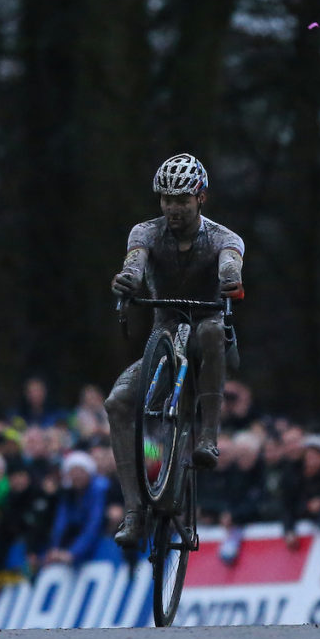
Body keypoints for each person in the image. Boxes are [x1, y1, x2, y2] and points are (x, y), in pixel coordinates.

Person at [106, 153, 245, 547]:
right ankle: (134, 511)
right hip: (164, 333)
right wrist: (128, 281)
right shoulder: (145, 232)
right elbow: (135, 262)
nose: (174, 209)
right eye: (167, 200)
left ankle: (207, 436)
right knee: (117, 403)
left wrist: (230, 277)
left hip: (208, 331)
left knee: (212, 332)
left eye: (182, 200)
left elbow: (231, 262)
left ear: (200, 198)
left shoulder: (224, 237)